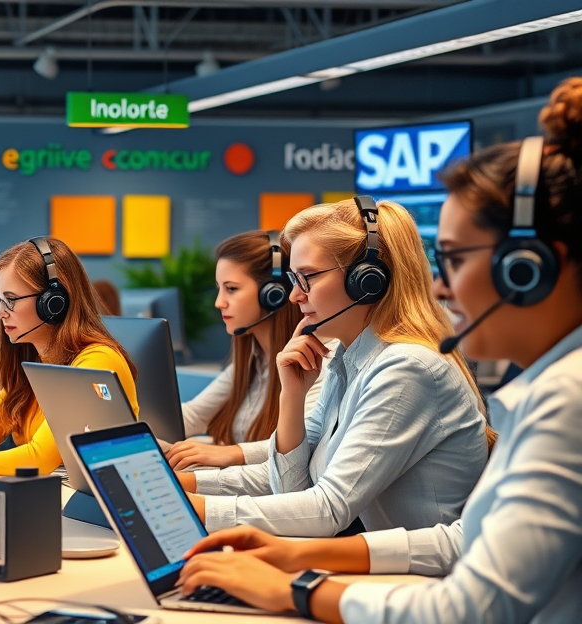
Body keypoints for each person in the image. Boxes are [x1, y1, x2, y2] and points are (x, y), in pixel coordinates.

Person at [177, 77, 582, 624]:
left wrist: (297, 589)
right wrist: (306, 556)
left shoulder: (435, 372)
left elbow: (472, 603)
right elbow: (462, 538)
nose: (443, 287)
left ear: (526, 270)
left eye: (457, 260)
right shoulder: (347, 361)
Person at [177, 197, 491, 538]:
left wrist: (196, 507)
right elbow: (292, 483)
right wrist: (292, 396)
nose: (294, 296)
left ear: (367, 281)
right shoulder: (347, 360)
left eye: (307, 278)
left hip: (419, 570)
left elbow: (328, 509)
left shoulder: (407, 368)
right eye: (294, 279)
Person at [0, 237, 139, 475]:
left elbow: (39, 458)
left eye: (10, 300)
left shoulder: (97, 361)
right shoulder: (37, 366)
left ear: (53, 303)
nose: (0, 313)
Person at [166, 230, 335, 471]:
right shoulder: (251, 360)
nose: (219, 302)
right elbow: (193, 416)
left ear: (274, 295)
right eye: (219, 288)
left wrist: (231, 453)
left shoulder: (319, 359)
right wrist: (125, 427)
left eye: (231, 289)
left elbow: (307, 441)